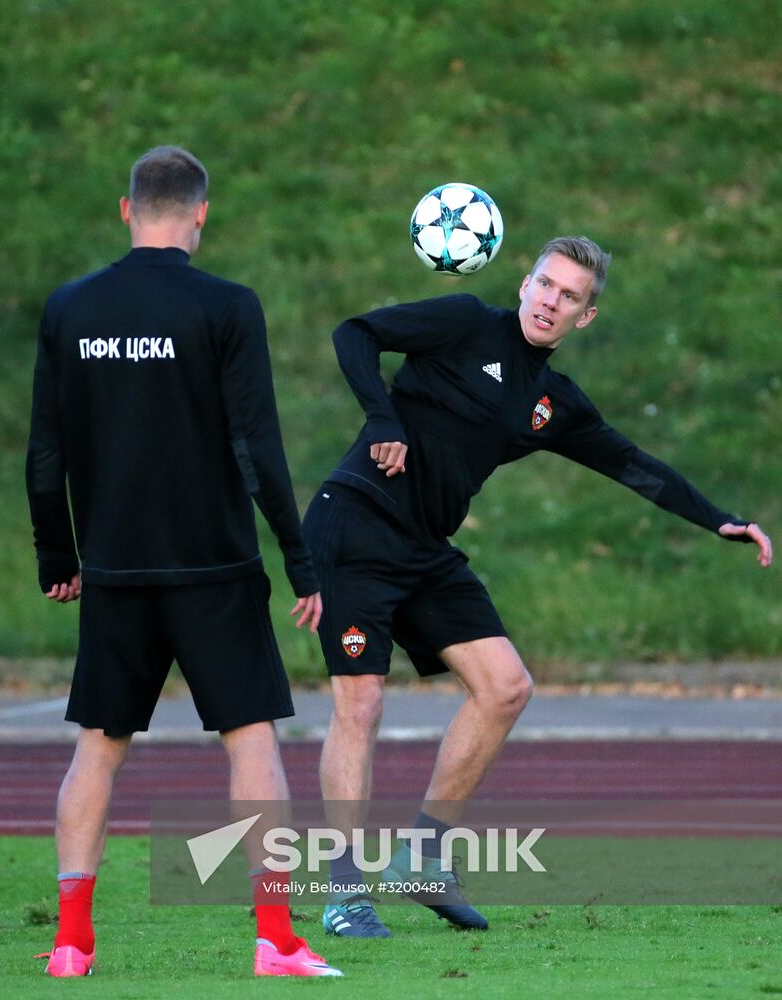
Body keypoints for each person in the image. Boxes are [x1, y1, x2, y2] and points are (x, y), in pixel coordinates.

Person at [303, 234, 773, 938]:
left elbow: (631, 463)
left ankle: (423, 859)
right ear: (524, 283)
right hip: (356, 525)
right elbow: (356, 333)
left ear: (584, 318)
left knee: (505, 687)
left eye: (570, 297)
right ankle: (344, 893)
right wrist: (381, 415)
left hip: (425, 549)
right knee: (360, 702)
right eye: (546, 285)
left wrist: (719, 521)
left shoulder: (551, 401)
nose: (552, 301)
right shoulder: (464, 320)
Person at [26, 146, 341, 978]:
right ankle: (273, 939)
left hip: (116, 569)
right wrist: (301, 561)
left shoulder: (70, 307)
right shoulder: (228, 306)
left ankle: (70, 941)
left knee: (98, 746)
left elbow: (44, 450)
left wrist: (58, 555)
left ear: (126, 210)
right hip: (214, 567)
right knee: (251, 742)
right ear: (201, 213)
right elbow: (257, 447)